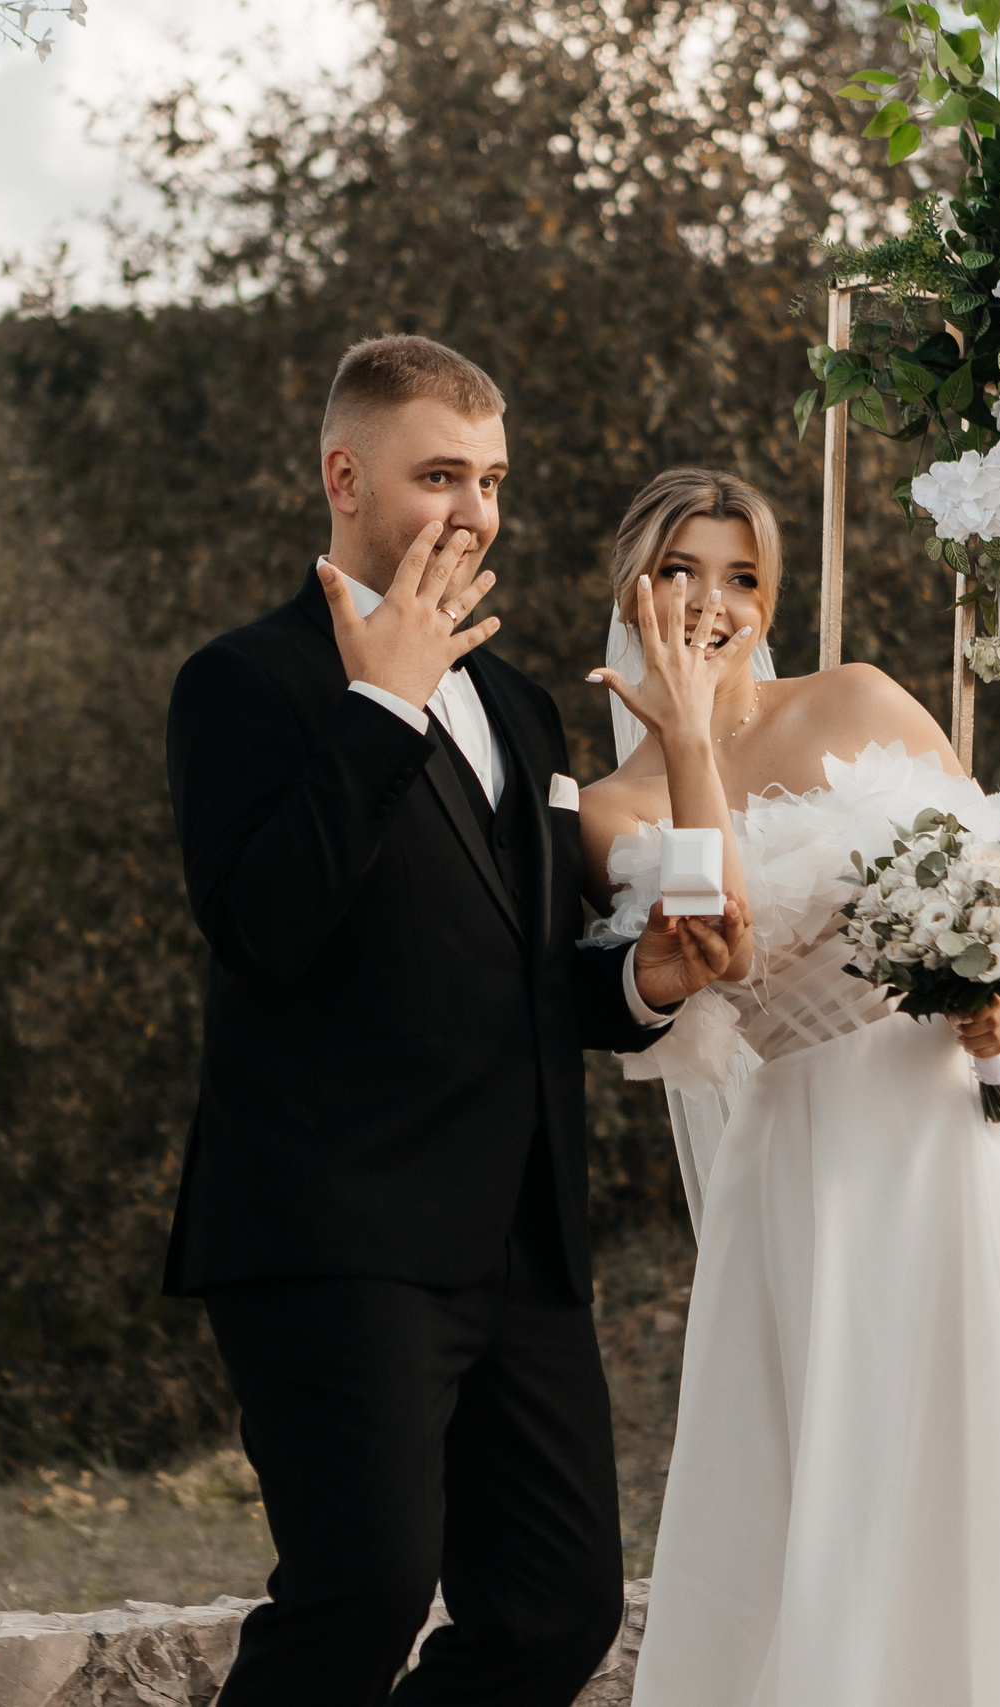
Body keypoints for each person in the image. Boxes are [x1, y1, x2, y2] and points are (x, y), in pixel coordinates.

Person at [582, 468, 1000, 1706]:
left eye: (741, 576)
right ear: (631, 586)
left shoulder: (857, 697)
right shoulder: (611, 803)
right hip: (810, 1160)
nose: (712, 602)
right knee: (849, 1482)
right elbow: (715, 937)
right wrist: (682, 737)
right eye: (681, 570)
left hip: (965, 1112)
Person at [163, 335, 747, 1707]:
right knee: (360, 1588)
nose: (473, 509)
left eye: (490, 478)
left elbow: (539, 972)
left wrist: (641, 982)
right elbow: (261, 925)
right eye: (439, 474)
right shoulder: (244, 682)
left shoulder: (520, 703)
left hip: (518, 1242)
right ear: (344, 475)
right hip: (334, 1228)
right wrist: (384, 702)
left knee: (554, 1610)